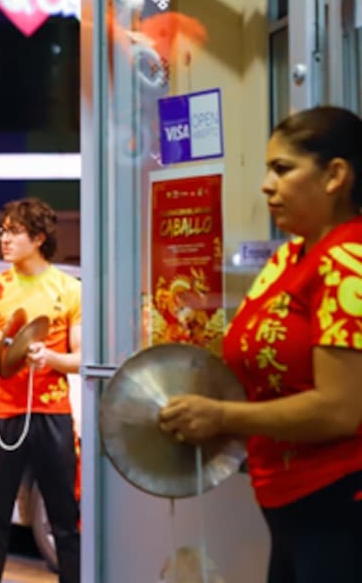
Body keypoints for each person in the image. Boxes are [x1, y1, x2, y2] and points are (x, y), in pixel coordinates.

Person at [159, 106, 362, 583]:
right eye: (268, 170)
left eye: (283, 169)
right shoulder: (290, 257)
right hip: (287, 502)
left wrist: (222, 416)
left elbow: (340, 410)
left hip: (339, 502)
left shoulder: (348, 260)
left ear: (335, 175)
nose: (267, 186)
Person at [0, 198, 81, 583]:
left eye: (15, 232)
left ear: (38, 238)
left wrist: (48, 357)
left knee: (65, 516)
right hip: (4, 415)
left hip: (53, 413)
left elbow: (80, 358)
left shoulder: (69, 289)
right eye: (3, 231)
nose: (5, 239)